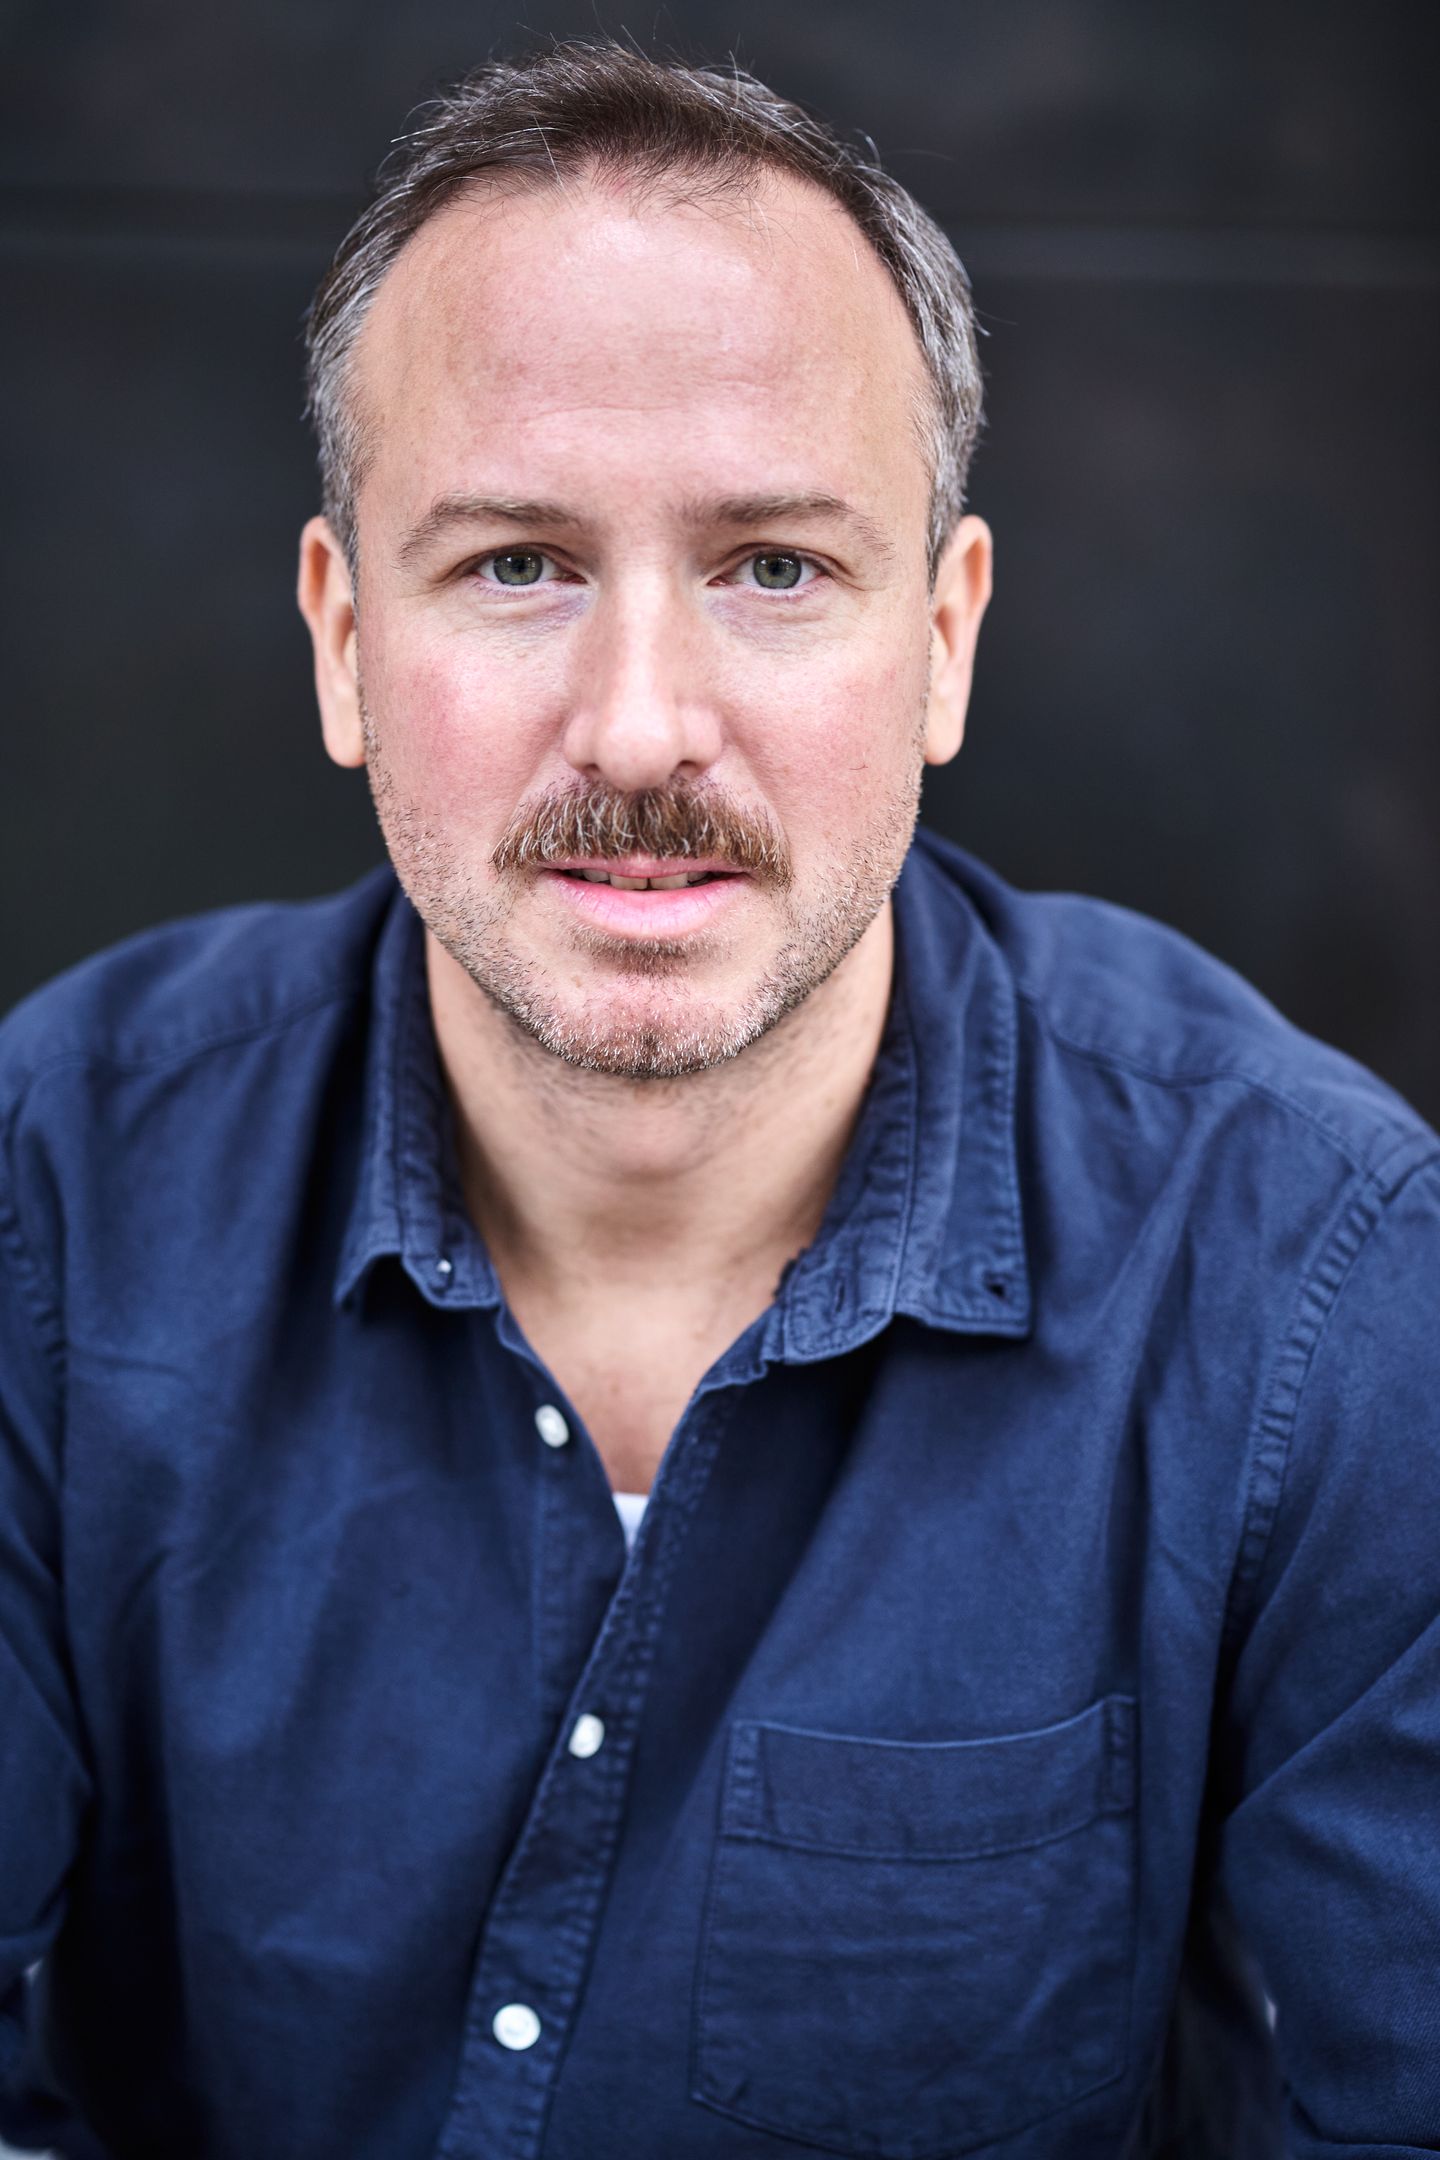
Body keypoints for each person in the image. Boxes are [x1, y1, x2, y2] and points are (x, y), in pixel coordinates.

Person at [1, 40, 1436, 2160]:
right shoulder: (50, 1197)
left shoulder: (1327, 1279)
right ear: (341, 640)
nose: (641, 726)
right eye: (517, 563)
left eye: (773, 566)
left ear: (943, 640)